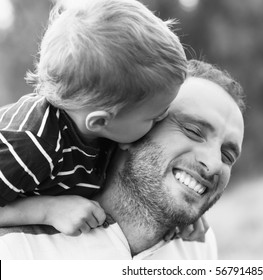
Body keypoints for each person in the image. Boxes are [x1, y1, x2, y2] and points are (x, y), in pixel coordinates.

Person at [0, 59, 246, 259]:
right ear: (131, 129)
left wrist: (183, 201)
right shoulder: (14, 247)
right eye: (193, 131)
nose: (213, 164)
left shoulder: (197, 247)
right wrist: (44, 210)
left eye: (227, 155)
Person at [0, 0, 190, 236]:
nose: (164, 117)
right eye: (153, 116)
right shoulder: (31, 146)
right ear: (100, 120)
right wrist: (47, 210)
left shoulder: (105, 127)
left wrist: (179, 211)